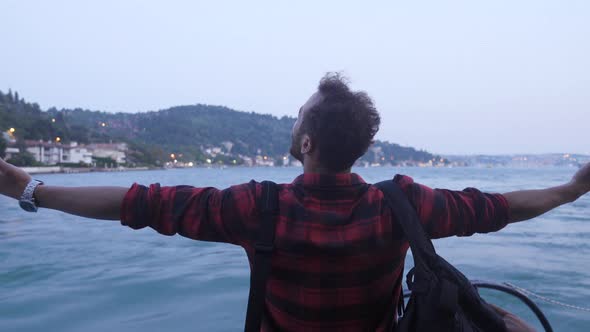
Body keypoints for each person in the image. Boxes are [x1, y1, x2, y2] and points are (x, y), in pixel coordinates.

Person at [1, 73, 588, 331]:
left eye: (298, 115)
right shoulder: (402, 204)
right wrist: (571, 189)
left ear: (305, 141)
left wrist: (31, 189)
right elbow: (500, 207)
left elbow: (139, 201)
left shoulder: (257, 206)